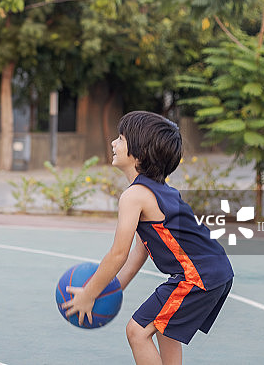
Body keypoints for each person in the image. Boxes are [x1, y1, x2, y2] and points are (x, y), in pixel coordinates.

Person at [62, 111, 233, 365]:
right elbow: (141, 249)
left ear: (140, 154)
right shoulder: (162, 191)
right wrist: (115, 287)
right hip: (210, 272)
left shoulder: (135, 196)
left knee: (137, 331)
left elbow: (118, 254)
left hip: (197, 276)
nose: (113, 143)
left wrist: (90, 293)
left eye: (121, 138)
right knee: (165, 327)